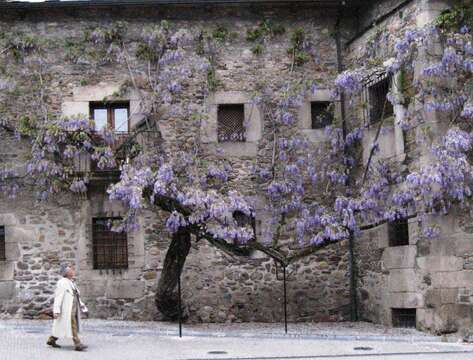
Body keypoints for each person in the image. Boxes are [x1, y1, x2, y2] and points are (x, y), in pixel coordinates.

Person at [46, 264, 88, 351]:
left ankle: (52, 339)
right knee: (72, 325)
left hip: (73, 308)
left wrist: (83, 306)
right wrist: (56, 310)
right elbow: (58, 297)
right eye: (71, 270)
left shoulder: (72, 282)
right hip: (66, 309)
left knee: (62, 326)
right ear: (66, 273)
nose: (73, 271)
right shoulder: (62, 283)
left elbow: (76, 296)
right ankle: (78, 344)